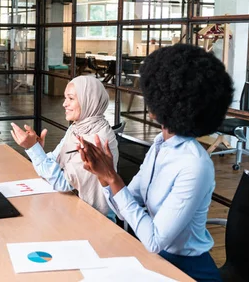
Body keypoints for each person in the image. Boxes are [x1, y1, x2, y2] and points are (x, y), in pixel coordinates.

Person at [79, 44, 233, 282]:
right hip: (153, 261)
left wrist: (113, 178)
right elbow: (125, 206)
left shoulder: (194, 165)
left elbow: (154, 240)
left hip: (187, 271)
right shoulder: (161, 145)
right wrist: (103, 176)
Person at [10, 75, 119, 220]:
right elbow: (54, 161)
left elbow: (62, 182)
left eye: (71, 98)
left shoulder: (97, 139)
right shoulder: (78, 127)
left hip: (94, 217)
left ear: (89, 100)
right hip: (72, 205)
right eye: (65, 98)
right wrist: (38, 151)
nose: (64, 104)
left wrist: (33, 149)